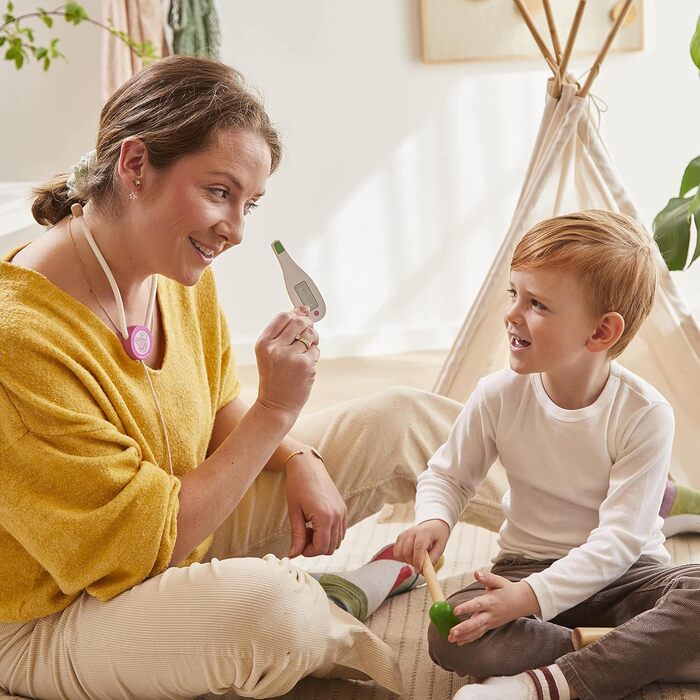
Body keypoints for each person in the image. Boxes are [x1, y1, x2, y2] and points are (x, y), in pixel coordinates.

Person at [0, 55, 471, 699]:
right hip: (54, 612)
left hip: (182, 529)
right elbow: (141, 549)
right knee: (273, 607)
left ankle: (622, 520)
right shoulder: (19, 338)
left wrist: (298, 452)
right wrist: (277, 412)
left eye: (249, 203)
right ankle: (340, 603)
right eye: (220, 193)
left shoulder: (173, 268)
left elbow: (221, 408)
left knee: (404, 417)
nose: (237, 230)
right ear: (135, 165)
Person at [395, 210, 700, 700]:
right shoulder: (497, 394)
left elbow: (620, 542)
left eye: (536, 303)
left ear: (601, 333)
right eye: (514, 294)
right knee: (450, 634)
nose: (513, 313)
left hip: (629, 575)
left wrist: (532, 601)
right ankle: (638, 655)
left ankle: (551, 684)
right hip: (525, 565)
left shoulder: (645, 413)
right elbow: (447, 477)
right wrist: (437, 519)